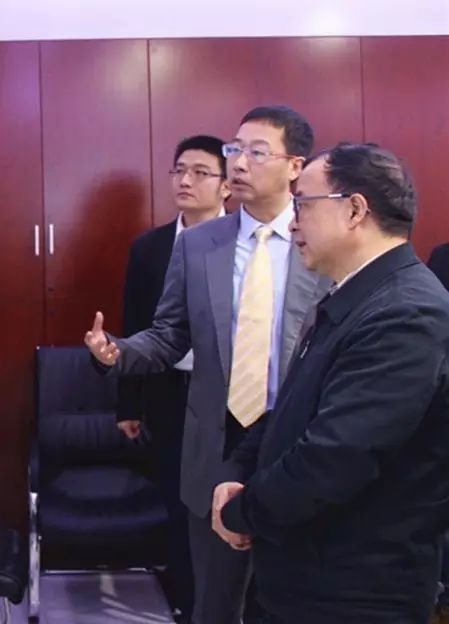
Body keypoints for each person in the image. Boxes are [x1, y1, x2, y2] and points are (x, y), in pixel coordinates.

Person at [85, 105, 329, 624]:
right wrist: (119, 352)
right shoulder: (199, 245)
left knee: (293, 601)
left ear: (295, 166)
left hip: (300, 442)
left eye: (256, 152)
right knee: (215, 603)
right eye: (235, 149)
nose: (238, 162)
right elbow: (169, 334)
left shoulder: (321, 237)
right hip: (216, 443)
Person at [212, 143, 449, 623]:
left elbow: (334, 457)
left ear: (355, 210)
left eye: (302, 204)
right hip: (304, 576)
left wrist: (243, 512)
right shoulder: (356, 296)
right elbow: (295, 407)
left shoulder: (406, 313)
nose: (292, 223)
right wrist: (237, 470)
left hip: (354, 591)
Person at [117, 134, 230, 622]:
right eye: (179, 170)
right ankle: (186, 602)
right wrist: (128, 404)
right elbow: (134, 326)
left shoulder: (244, 243)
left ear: (226, 185)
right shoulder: (150, 248)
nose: (185, 180)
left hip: (229, 398)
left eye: (200, 172)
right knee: (179, 505)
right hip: (169, 394)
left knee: (225, 504)